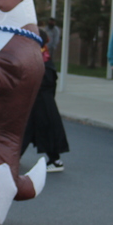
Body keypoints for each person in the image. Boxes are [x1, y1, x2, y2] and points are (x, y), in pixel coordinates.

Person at [22, 28, 69, 171]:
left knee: (42, 131)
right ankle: (10, 160)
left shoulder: (43, 60)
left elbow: (44, 83)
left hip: (42, 104)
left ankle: (55, 160)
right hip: (37, 103)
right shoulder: (41, 56)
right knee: (26, 132)